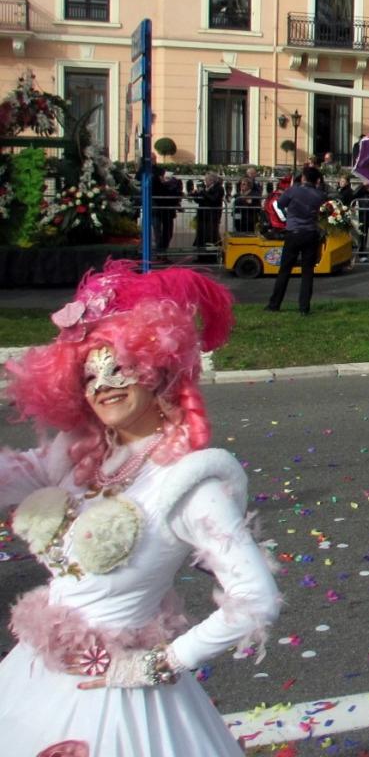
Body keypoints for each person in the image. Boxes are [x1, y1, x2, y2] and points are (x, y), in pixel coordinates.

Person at [0, 262, 281, 755]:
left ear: (158, 371)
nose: (102, 384)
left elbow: (255, 598)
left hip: (116, 705)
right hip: (32, 678)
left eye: (120, 368)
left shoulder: (190, 484)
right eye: (89, 375)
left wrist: (156, 664)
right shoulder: (76, 457)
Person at [265, 166, 326, 315]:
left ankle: (275, 304)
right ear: (317, 180)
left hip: (294, 232)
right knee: (307, 272)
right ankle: (304, 307)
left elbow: (279, 204)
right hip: (310, 233)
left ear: (304, 178)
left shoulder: (294, 190)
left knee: (285, 270)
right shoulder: (319, 195)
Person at [190, 172, 224, 259]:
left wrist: (203, 192)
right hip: (203, 215)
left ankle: (211, 256)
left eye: (206, 180)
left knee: (211, 236)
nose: (205, 182)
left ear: (211, 180)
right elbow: (200, 200)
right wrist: (194, 194)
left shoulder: (219, 188)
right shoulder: (206, 188)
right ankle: (201, 256)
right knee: (201, 236)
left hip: (212, 216)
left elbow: (214, 199)